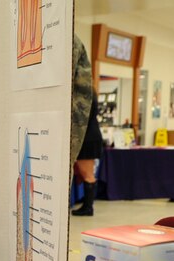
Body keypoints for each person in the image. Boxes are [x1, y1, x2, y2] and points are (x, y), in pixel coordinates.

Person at [69, 35, 103, 217]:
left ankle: (88, 207)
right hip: (91, 136)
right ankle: (87, 205)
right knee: (86, 173)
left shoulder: (85, 96)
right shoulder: (93, 93)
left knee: (87, 173)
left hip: (87, 138)